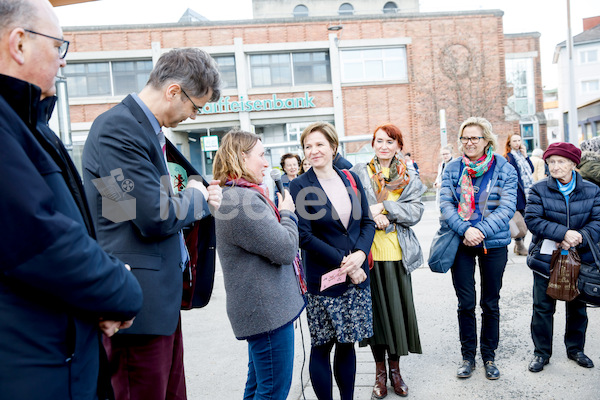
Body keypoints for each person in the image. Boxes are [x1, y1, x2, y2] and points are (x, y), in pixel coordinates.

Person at [0, 1, 143, 399]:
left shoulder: (31, 123)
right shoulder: (113, 132)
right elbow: (135, 212)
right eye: (59, 46)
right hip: (41, 358)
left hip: (79, 327)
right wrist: (195, 201)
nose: (63, 62)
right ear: (19, 44)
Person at [82, 48, 223, 400]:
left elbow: (125, 209)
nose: (193, 117)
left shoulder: (141, 129)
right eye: (196, 107)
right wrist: (197, 197)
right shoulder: (119, 128)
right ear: (174, 90)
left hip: (155, 301)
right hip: (138, 309)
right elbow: (155, 217)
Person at [212, 129, 306, 400]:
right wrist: (288, 213)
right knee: (272, 391)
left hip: (262, 310)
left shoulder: (236, 194)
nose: (267, 163)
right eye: (262, 155)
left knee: (258, 387)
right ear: (241, 158)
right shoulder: (240, 200)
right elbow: (286, 248)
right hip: (266, 312)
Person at [289, 122, 376, 400]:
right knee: (322, 345)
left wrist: (360, 255)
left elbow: (367, 222)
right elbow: (304, 236)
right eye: (308, 146)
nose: (313, 151)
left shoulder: (350, 178)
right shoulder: (300, 185)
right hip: (324, 280)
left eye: (319, 145)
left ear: (333, 147)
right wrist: (346, 263)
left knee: (347, 344)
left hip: (357, 276)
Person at [351, 123, 426, 398]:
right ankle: (379, 374)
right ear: (373, 144)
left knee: (396, 317)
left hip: (397, 255)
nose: (384, 146)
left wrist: (385, 207)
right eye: (379, 141)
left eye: (390, 142)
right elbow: (353, 207)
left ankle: (396, 372)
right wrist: (371, 216)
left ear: (399, 147)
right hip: (368, 255)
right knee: (376, 319)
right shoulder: (360, 172)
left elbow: (415, 212)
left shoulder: (410, 177)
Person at [439, 117, 517, 380]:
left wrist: (481, 230)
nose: (470, 143)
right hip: (460, 243)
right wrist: (465, 230)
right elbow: (446, 205)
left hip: (492, 243)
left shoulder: (503, 168)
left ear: (487, 141)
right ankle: (468, 356)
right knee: (466, 303)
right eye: (465, 138)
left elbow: (507, 207)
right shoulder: (452, 168)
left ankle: (489, 356)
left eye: (475, 138)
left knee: (490, 303)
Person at [524, 142, 600, 373]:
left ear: (573, 164)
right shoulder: (539, 189)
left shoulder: (591, 190)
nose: (555, 167)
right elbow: (533, 219)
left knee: (577, 306)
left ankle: (575, 349)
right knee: (543, 308)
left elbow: (598, 221)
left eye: (561, 162)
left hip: (581, 257)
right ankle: (541, 353)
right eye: (551, 162)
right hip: (546, 258)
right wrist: (563, 233)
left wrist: (580, 236)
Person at [503, 134, 534, 255]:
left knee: (526, 218)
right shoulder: (508, 157)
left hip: (527, 191)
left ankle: (519, 245)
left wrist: (526, 156)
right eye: (514, 141)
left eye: (519, 140)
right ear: (509, 143)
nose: (517, 143)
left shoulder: (521, 155)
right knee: (518, 219)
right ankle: (519, 244)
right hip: (517, 193)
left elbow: (531, 170)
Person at [434, 145, 454, 210]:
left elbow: (454, 180)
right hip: (441, 192)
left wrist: (442, 185)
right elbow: (439, 176)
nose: (445, 156)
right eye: (443, 154)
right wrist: (436, 183)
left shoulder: (454, 164)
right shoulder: (441, 164)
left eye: (447, 154)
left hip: (451, 193)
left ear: (451, 154)